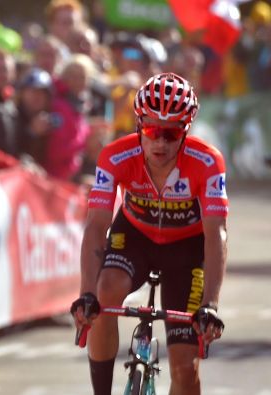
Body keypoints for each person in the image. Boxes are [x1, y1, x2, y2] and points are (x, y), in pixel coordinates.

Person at [70, 72, 227, 395]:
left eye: (170, 135)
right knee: (104, 292)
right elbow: (97, 225)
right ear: (139, 124)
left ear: (186, 131)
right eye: (152, 131)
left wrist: (210, 304)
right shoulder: (115, 156)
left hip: (186, 250)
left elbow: (216, 234)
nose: (159, 143)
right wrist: (86, 294)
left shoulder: (207, 161)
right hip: (135, 239)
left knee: (185, 369)